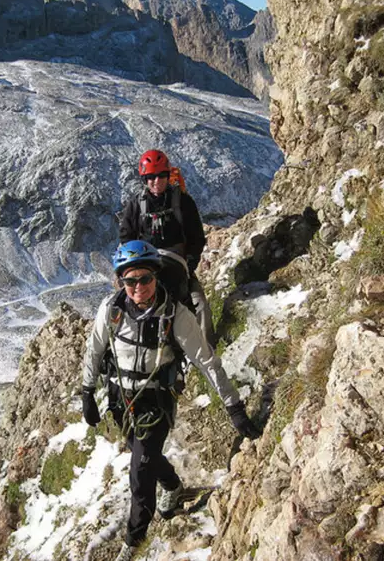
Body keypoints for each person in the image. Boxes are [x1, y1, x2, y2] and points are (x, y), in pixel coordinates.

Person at [82, 240, 260, 561]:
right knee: (143, 454)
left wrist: (233, 406)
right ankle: (173, 486)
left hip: (157, 401)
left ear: (157, 277)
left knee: (140, 470)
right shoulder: (110, 310)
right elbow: (95, 350)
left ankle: (132, 543)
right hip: (121, 399)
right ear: (121, 281)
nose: (138, 287)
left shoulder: (175, 315)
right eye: (130, 280)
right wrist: (86, 392)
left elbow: (206, 360)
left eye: (145, 279)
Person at [119, 149, 215, 345]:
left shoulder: (183, 202)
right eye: (151, 177)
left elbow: (196, 236)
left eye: (161, 175)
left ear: (168, 175)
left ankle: (207, 352)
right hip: (145, 264)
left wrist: (190, 261)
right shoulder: (136, 205)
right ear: (144, 179)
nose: (156, 181)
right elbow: (126, 237)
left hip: (179, 263)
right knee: (122, 306)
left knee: (201, 307)